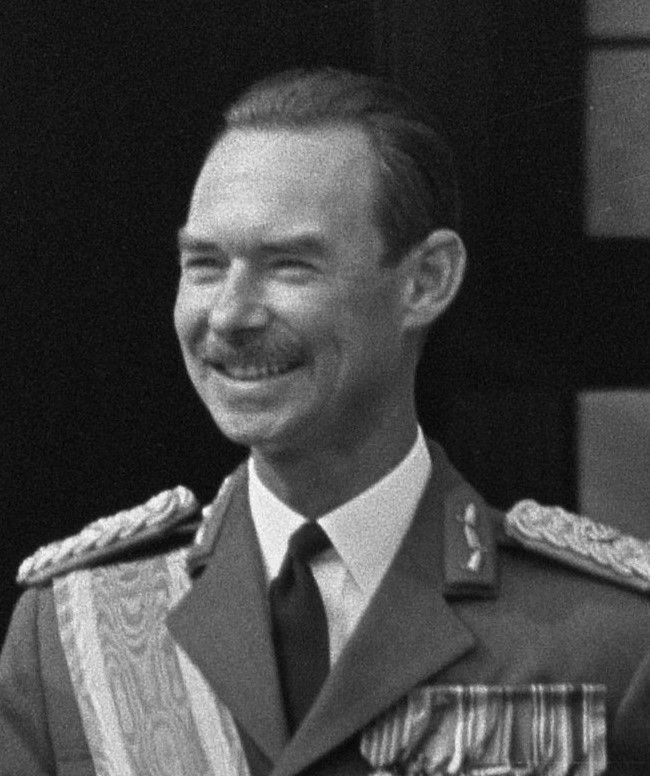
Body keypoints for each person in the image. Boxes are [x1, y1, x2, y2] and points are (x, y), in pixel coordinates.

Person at [1, 67, 649, 776]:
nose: (229, 315)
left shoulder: (611, 640)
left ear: (426, 280)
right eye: (205, 264)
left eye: (289, 265)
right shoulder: (72, 630)